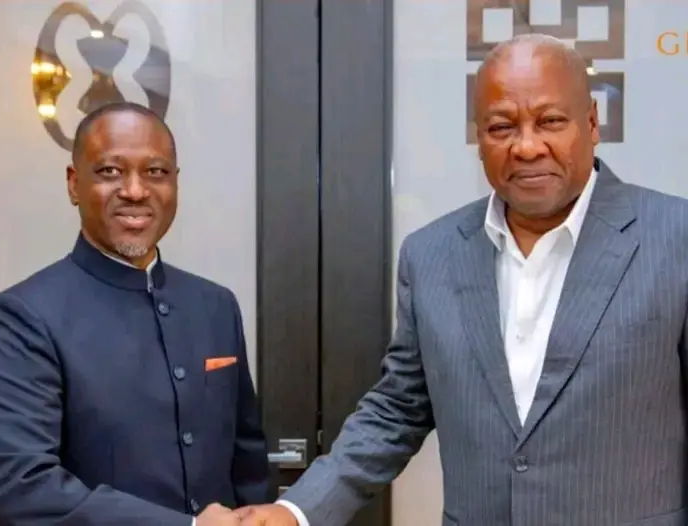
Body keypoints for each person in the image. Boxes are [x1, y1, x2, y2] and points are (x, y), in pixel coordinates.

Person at [238, 34, 688, 526]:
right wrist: (297, 511)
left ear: (592, 123)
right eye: (502, 127)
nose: (527, 146)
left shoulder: (674, 238)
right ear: (479, 139)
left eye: (550, 121)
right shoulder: (431, 255)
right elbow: (398, 409)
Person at [0, 102, 269, 526]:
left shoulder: (215, 305)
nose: (135, 190)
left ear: (175, 183)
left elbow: (247, 463)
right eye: (110, 171)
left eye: (155, 172)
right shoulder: (20, 317)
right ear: (74, 184)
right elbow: (20, 488)